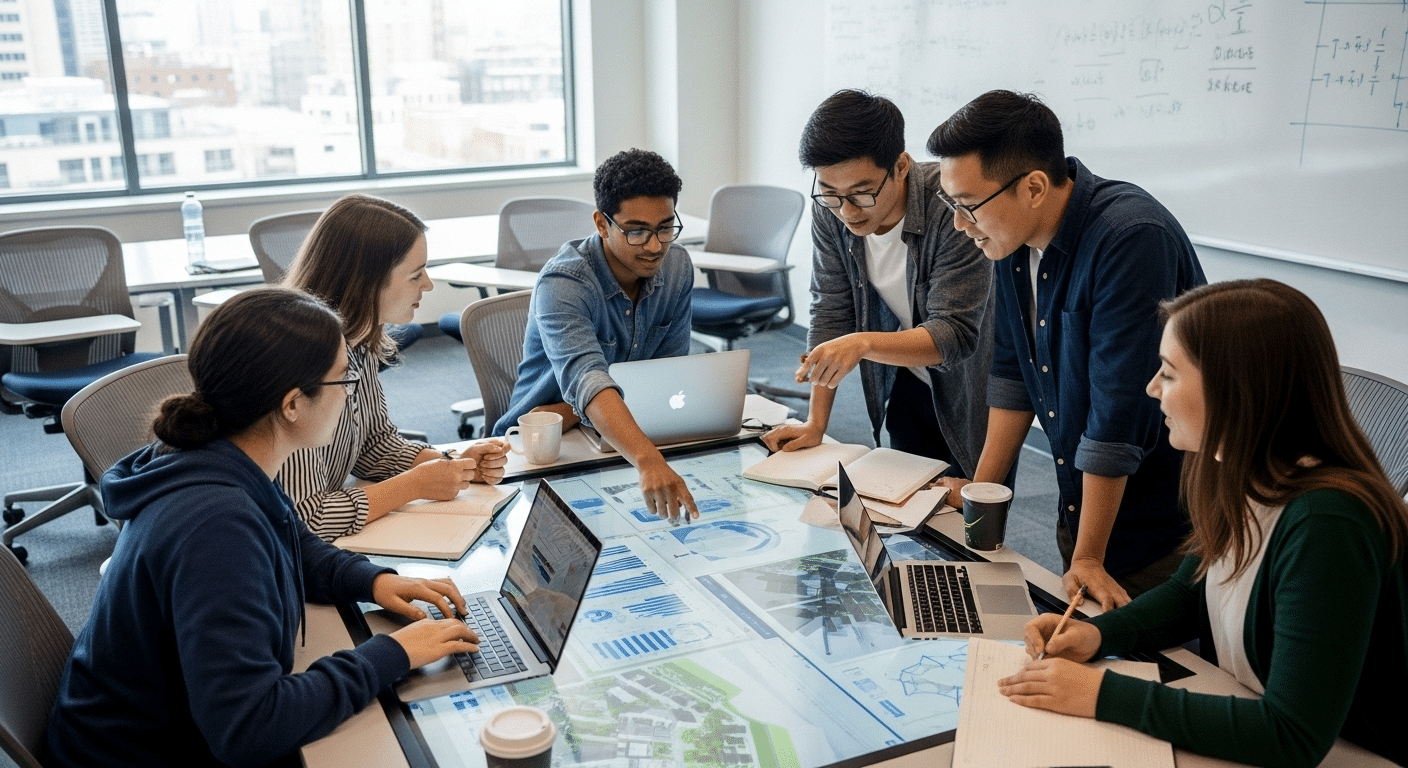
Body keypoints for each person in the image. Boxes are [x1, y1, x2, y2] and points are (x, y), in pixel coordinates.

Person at [45, 288, 482, 767]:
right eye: (343, 381)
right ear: (293, 403)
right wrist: (390, 656)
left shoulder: (217, 454)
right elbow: (249, 728)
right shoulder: (217, 528)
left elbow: (290, 538)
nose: (351, 394)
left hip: (154, 726)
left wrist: (374, 580)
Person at [998, 279, 1408, 768]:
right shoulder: (1234, 469)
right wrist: (1100, 634)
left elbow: (1293, 735)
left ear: (1233, 389)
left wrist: (1102, 693)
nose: (1152, 388)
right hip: (1255, 712)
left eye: (1169, 374)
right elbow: (1192, 592)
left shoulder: (1328, 523)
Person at [928, 90, 1206, 609]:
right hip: (1084, 509)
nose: (961, 225)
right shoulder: (1011, 241)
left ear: (1033, 187)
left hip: (1163, 524)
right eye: (951, 206)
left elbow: (1118, 414)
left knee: (1150, 662)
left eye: (967, 207)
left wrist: (1090, 556)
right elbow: (1013, 377)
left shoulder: (1130, 238)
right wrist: (979, 495)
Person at [761, 90, 995, 482]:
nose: (847, 211)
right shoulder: (832, 207)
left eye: (862, 192)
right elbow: (831, 308)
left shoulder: (951, 204)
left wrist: (864, 343)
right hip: (906, 369)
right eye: (831, 193)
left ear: (901, 166)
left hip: (975, 387)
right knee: (908, 506)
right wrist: (816, 422)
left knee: (975, 520)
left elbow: (954, 334)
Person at [282, 194, 509, 540]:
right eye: (415, 275)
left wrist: (451, 463)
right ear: (366, 281)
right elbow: (308, 517)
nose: (428, 284)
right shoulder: (297, 361)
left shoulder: (356, 338)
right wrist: (413, 485)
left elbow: (374, 445)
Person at [493, 148, 699, 523]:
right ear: (602, 224)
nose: (655, 246)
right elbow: (587, 379)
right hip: (546, 448)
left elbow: (668, 375)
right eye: (636, 231)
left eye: (665, 227)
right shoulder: (564, 283)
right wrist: (646, 458)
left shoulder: (679, 268)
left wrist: (579, 415)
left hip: (625, 432)